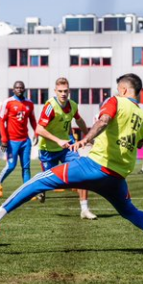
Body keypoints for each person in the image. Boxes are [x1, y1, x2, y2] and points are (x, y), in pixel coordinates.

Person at [0, 73, 143, 254]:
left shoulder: (116, 101)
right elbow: (138, 143)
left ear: (123, 89)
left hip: (94, 167)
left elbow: (103, 121)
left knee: (37, 181)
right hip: (117, 176)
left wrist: (85, 139)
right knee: (129, 211)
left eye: (117, 88)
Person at [35, 77, 97, 220]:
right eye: (60, 91)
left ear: (69, 91)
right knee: (47, 183)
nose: (63, 94)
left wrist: (88, 136)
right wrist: (57, 140)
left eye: (66, 91)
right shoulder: (50, 106)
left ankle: (85, 209)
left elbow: (79, 120)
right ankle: (40, 188)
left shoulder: (73, 105)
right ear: (55, 91)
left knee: (83, 171)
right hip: (48, 150)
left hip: (67, 147)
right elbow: (39, 129)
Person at [0, 81, 38, 197]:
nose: (19, 89)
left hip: (25, 141)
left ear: (24, 90)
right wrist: (4, 140)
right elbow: (1, 120)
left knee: (26, 167)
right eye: (17, 88)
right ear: (13, 90)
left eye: (21, 88)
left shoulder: (29, 103)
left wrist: (36, 133)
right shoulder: (8, 102)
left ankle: (28, 192)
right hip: (11, 141)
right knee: (11, 166)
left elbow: (33, 120)